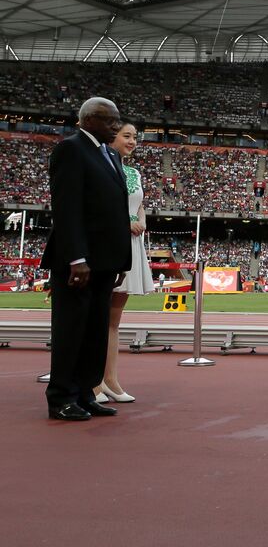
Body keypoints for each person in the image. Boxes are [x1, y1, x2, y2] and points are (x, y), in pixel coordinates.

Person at [40, 97, 130, 421]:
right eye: (110, 120)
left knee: (94, 332)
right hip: (79, 262)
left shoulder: (109, 154)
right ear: (89, 119)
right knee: (71, 330)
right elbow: (67, 209)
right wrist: (76, 258)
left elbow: (114, 210)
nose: (117, 126)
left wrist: (120, 261)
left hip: (105, 261)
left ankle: (85, 393)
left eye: (117, 119)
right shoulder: (71, 149)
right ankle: (61, 397)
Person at [97, 122, 154, 404]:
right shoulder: (100, 166)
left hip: (131, 244)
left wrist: (141, 220)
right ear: (111, 137)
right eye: (127, 136)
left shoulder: (133, 172)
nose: (132, 141)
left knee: (114, 321)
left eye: (135, 137)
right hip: (109, 242)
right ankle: (93, 383)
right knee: (96, 317)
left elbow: (140, 204)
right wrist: (125, 223)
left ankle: (111, 380)